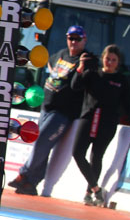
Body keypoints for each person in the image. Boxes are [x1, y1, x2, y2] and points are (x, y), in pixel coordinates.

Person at [7, 25, 88, 196]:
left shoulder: (85, 60)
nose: (73, 42)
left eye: (77, 39)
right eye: (71, 38)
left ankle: (24, 174)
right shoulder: (61, 54)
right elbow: (50, 65)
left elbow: (80, 84)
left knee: (41, 141)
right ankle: (30, 183)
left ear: (84, 40)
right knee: (42, 146)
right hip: (47, 106)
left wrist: (81, 68)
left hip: (63, 112)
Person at [71, 44, 130, 206]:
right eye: (107, 59)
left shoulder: (121, 80)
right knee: (77, 152)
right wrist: (80, 67)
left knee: (97, 156)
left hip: (107, 123)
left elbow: (128, 102)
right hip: (88, 118)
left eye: (113, 60)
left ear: (118, 62)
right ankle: (96, 188)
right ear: (102, 59)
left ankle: (88, 193)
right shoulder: (93, 74)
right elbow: (75, 86)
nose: (110, 62)